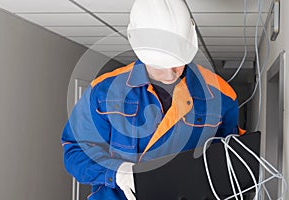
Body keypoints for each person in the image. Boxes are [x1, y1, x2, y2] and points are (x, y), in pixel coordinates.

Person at [61, 0, 245, 199]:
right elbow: (75, 151)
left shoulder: (221, 95)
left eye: (178, 62)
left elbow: (229, 158)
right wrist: (117, 172)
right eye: (159, 64)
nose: (170, 74)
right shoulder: (104, 92)